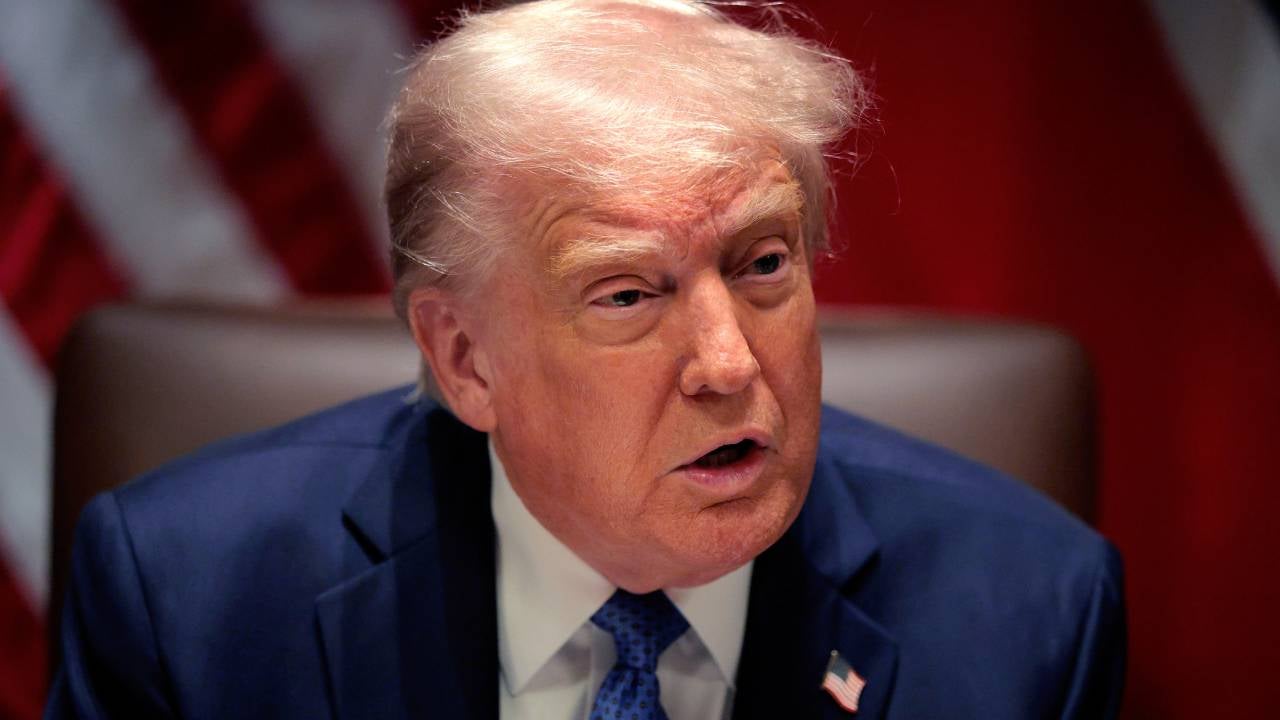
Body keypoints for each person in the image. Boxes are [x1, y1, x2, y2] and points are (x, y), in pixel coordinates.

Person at [46, 1, 1125, 718]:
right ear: (465, 360)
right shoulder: (187, 601)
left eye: (760, 264)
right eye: (626, 293)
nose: (727, 362)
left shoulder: (1030, 615)